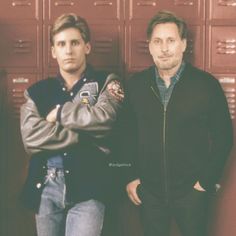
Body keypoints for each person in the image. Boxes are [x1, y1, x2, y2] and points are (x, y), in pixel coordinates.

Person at [125, 10, 233, 236]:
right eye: (158, 41)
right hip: (150, 193)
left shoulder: (206, 85)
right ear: (150, 46)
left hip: (192, 193)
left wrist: (204, 183)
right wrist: (130, 177)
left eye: (171, 40)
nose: (164, 48)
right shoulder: (136, 86)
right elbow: (123, 135)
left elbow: (224, 137)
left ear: (183, 44)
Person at [20, 13, 124, 236]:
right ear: (53, 51)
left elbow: (104, 119)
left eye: (75, 42)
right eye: (61, 44)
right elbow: (30, 138)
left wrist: (60, 113)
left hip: (90, 185)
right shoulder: (37, 92)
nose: (68, 50)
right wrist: (84, 134)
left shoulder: (108, 82)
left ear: (87, 47)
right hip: (46, 185)